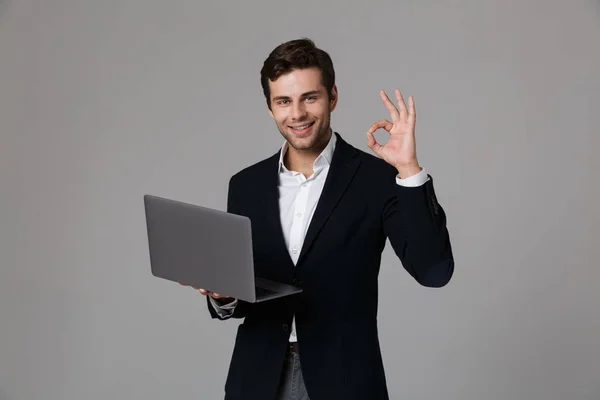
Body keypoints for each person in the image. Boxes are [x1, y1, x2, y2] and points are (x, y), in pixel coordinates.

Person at [182, 38, 454, 400]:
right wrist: (223, 294)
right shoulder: (245, 185)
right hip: (256, 381)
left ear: (333, 97)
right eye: (283, 101)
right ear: (270, 107)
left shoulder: (377, 179)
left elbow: (434, 271)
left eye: (309, 97)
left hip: (344, 381)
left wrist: (408, 169)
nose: (296, 114)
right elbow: (248, 297)